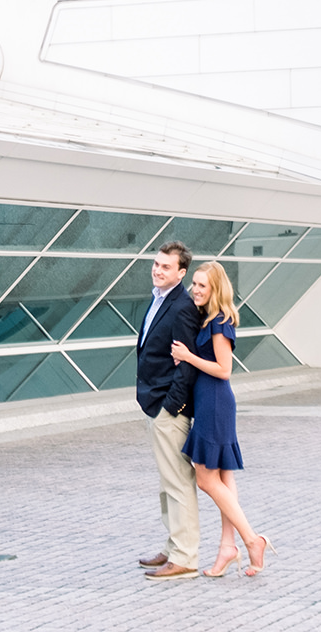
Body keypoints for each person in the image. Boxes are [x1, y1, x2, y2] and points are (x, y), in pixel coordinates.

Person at [170, 261, 273, 577]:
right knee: (225, 479)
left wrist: (188, 357)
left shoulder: (219, 323)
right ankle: (227, 548)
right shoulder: (209, 320)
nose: (196, 290)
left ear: (216, 289)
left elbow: (224, 369)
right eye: (195, 284)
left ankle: (252, 540)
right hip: (210, 403)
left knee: (205, 479)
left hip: (215, 403)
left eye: (203, 285)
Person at [135, 241, 203, 581]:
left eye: (166, 266)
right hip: (155, 403)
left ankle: (185, 557)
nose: (158, 270)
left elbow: (186, 364)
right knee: (167, 482)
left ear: (182, 272)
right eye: (157, 264)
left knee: (178, 482)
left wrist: (172, 406)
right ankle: (173, 545)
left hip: (169, 407)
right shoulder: (160, 298)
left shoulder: (183, 307)